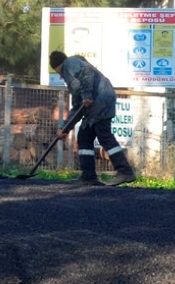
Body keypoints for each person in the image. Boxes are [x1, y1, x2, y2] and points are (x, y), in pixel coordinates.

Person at [48, 49, 137, 185]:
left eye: (58, 71)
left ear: (58, 65)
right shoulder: (72, 74)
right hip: (96, 102)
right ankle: (88, 176)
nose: (60, 76)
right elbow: (78, 106)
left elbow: (87, 73)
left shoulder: (70, 63)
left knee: (104, 135)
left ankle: (125, 172)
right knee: (84, 136)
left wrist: (87, 95)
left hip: (101, 99)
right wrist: (65, 128)